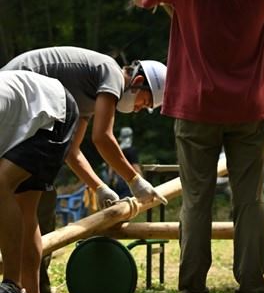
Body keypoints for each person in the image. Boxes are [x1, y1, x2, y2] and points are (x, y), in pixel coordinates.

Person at [133, 0, 264, 293]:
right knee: (249, 200)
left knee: (196, 200)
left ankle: (194, 291)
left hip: (196, 104)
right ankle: (252, 289)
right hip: (249, 105)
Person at [1, 47, 167, 209]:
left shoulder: (86, 98)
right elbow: (102, 137)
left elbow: (71, 151)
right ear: (138, 82)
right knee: (27, 202)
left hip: (21, 102)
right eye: (144, 103)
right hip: (17, 95)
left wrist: (100, 188)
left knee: (28, 202)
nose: (137, 109)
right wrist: (135, 181)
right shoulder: (112, 73)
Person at [0, 70, 80, 293]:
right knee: (25, 209)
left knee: (0, 185)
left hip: (52, 112)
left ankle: (11, 286)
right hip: (27, 112)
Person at [108, 126, 143, 198]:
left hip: (117, 182)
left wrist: (111, 180)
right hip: (129, 182)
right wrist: (142, 181)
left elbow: (111, 168)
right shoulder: (131, 151)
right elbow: (136, 167)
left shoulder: (117, 151)